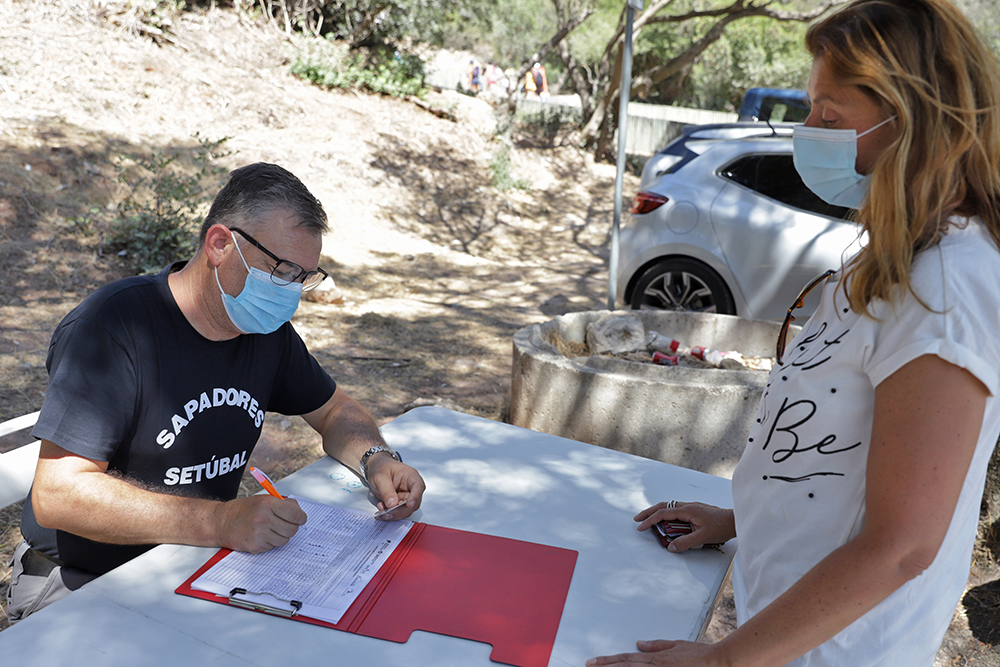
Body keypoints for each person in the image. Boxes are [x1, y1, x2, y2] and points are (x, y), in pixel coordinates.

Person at [589, 1, 1000, 665]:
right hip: (789, 628)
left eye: (830, 116)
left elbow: (903, 545)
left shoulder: (948, 287)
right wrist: (738, 521)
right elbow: (832, 452)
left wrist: (722, 660)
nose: (808, 133)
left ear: (920, 122)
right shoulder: (895, 257)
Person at [7, 162, 426, 623]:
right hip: (82, 580)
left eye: (304, 277)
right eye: (282, 270)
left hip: (198, 566)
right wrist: (219, 522)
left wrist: (377, 459)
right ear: (221, 244)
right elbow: (59, 494)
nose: (292, 293)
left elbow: (333, 410)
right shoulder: (114, 328)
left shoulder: (265, 333)